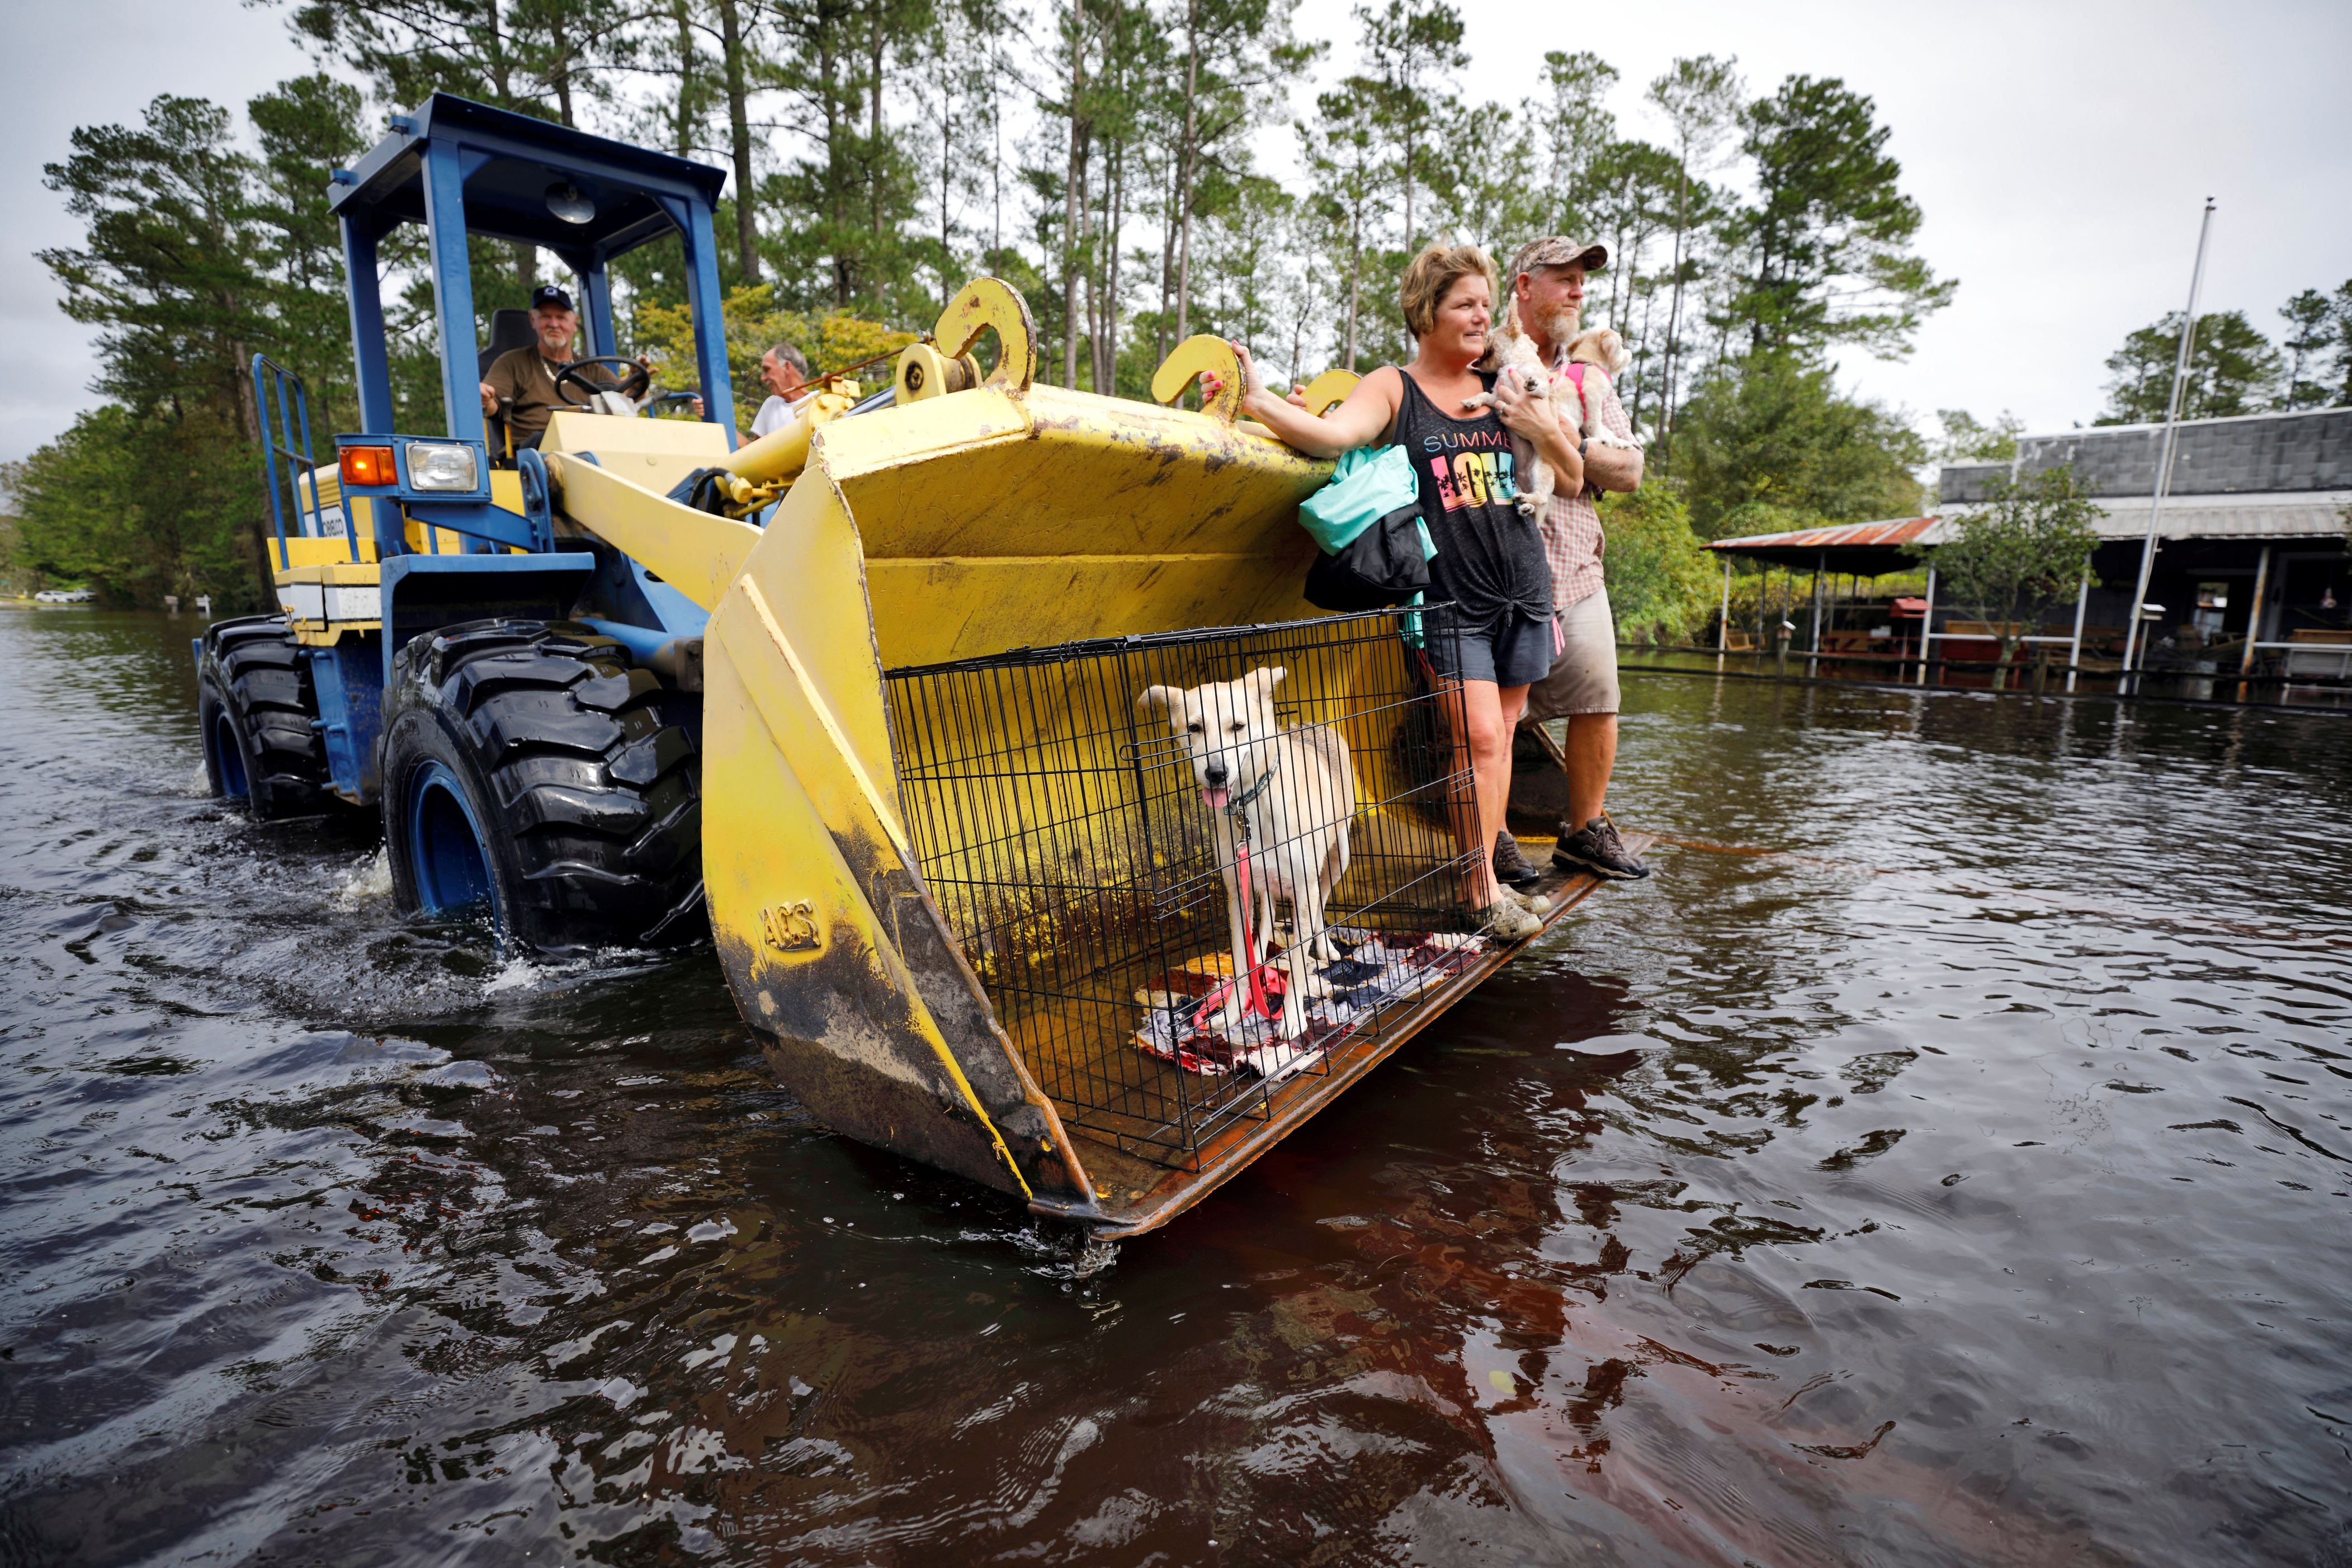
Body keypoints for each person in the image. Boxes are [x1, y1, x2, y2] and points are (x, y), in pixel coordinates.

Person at [1222, 244, 1578, 941]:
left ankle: (1490, 877)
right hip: (1448, 597)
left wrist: (1537, 425)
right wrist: (1259, 400)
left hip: (1523, 585)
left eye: (1485, 303)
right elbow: (1330, 436)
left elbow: (1566, 477)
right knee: (1472, 737)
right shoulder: (1394, 386)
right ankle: (1478, 892)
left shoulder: (1507, 380)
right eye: (1464, 304)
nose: (1482, 316)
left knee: (1500, 739)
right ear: (1426, 312)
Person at [1486, 237, 1651, 885]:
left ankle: (1584, 830)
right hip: (1497, 569)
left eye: (1583, 280)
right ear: (1524, 286)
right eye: (1564, 278)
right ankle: (1492, 837)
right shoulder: (1482, 353)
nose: (1579, 290)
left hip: (1577, 566)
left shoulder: (1588, 380)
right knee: (1496, 718)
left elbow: (1630, 469)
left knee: (1599, 700)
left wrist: (1559, 429)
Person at [478, 285, 626, 452]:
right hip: (534, 458)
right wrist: (485, 399)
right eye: (546, 317)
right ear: (533, 320)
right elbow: (492, 405)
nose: (554, 324)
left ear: (574, 323)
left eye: (561, 317)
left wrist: (635, 389)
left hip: (590, 448)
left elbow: (623, 403)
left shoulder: (593, 370)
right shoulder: (511, 363)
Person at [744, 342, 814, 441]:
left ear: (786, 367)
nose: (763, 378)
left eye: (767, 370)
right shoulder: (771, 405)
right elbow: (753, 452)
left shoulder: (821, 400)